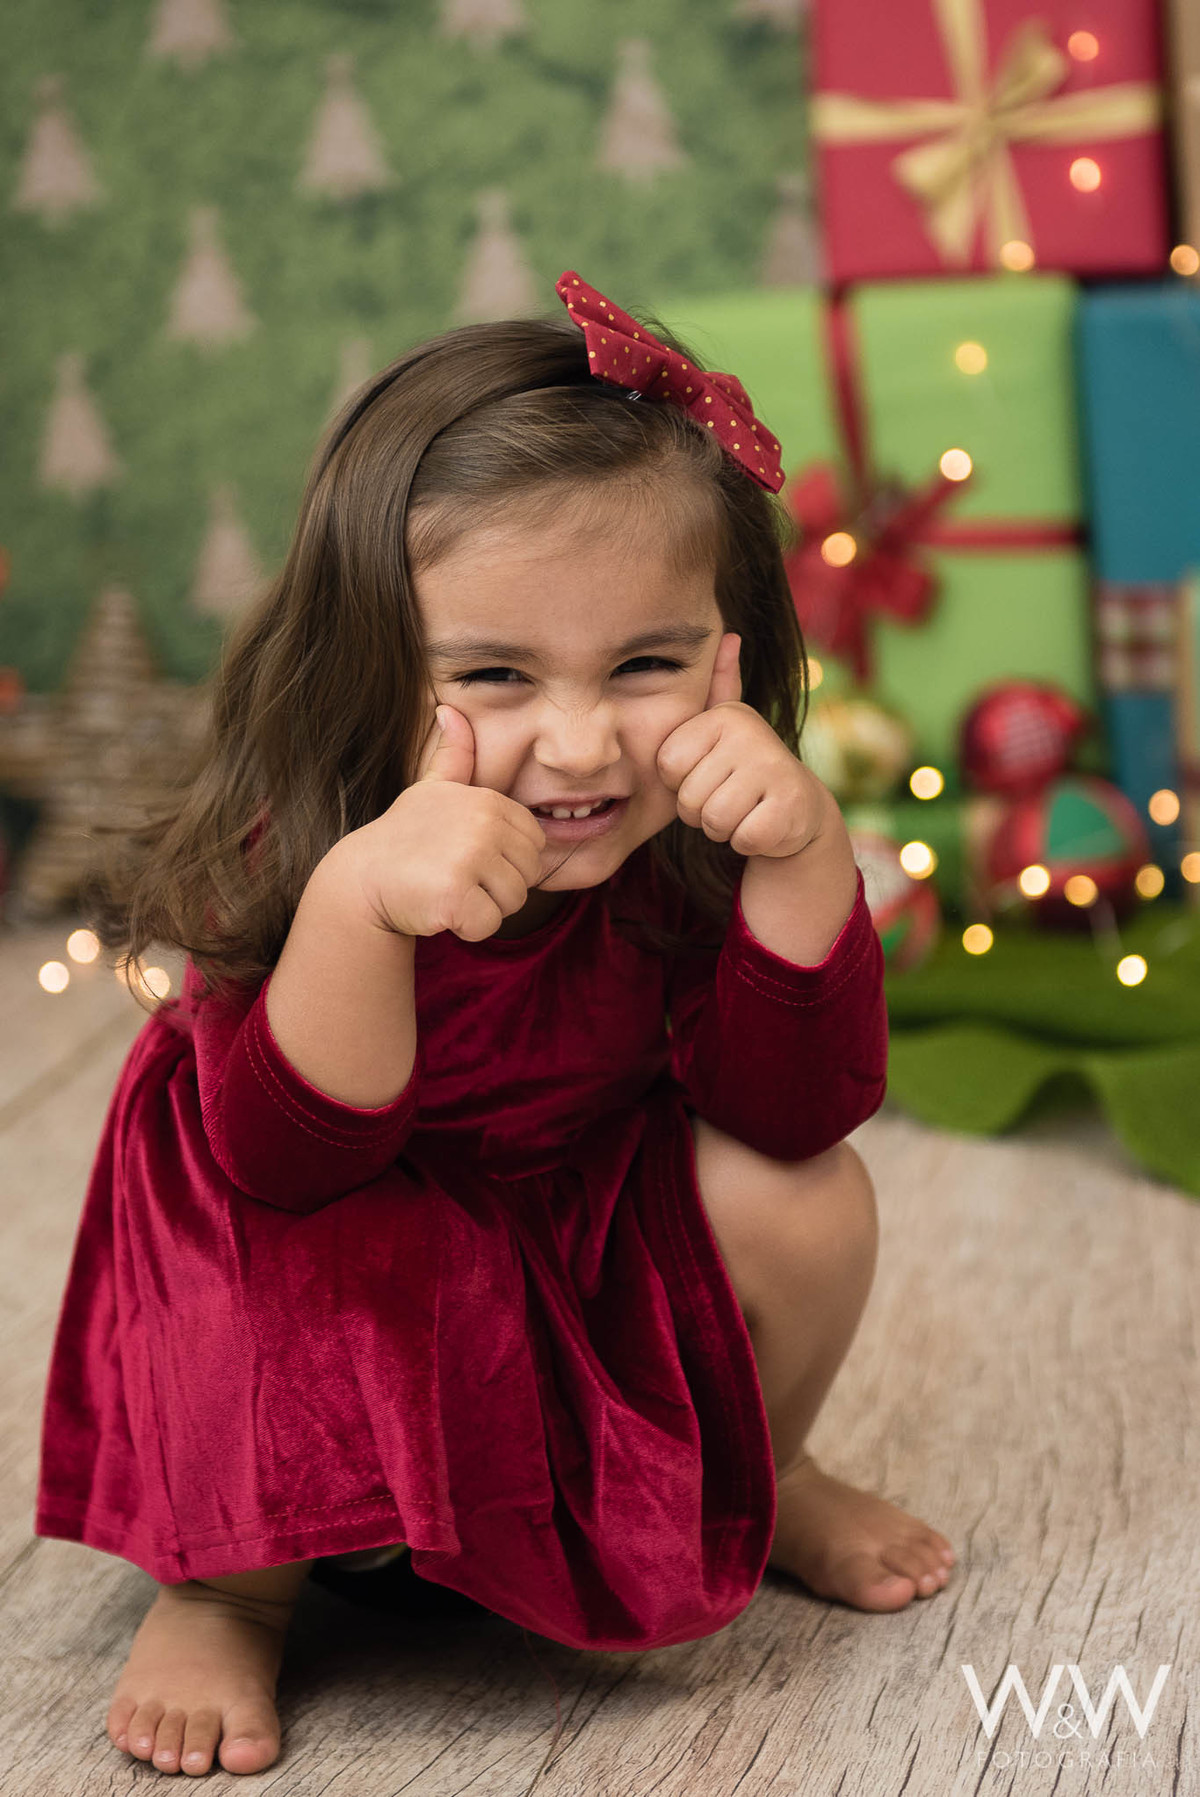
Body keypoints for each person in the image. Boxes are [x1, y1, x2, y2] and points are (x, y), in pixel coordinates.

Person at [34, 270, 955, 1780]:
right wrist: (354, 910)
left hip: (568, 1223)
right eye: (496, 676)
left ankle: (761, 1461)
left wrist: (799, 862)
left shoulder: (688, 840)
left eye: (648, 664)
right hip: (334, 1236)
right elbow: (280, 1159)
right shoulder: (316, 842)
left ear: (735, 644)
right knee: (272, 1268)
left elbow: (794, 1109)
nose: (582, 744)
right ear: (374, 665)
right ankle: (227, 1592)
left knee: (805, 1195)